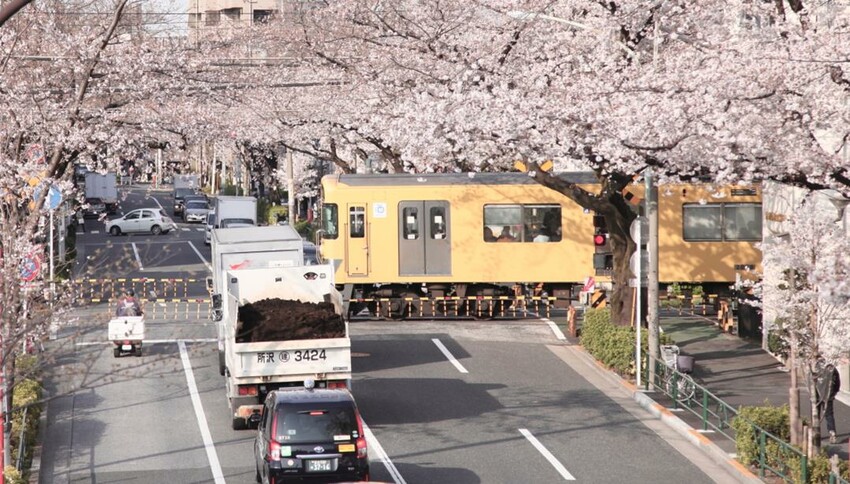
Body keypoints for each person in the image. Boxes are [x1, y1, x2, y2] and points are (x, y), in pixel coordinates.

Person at [816, 362, 841, 444]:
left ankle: (816, 433)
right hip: (828, 395)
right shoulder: (831, 368)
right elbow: (837, 382)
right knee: (829, 414)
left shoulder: (814, 367)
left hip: (816, 396)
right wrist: (834, 392)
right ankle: (832, 432)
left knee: (816, 414)